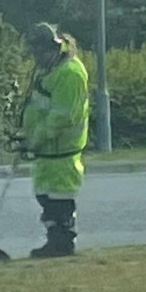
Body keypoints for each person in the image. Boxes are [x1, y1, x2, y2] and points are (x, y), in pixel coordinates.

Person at [16, 23, 90, 258]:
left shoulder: (70, 74)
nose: (37, 57)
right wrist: (26, 135)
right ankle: (55, 240)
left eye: (41, 52)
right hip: (46, 149)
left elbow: (62, 117)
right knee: (45, 197)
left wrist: (34, 139)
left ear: (55, 48)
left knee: (60, 199)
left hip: (62, 149)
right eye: (35, 52)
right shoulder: (45, 70)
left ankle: (63, 243)